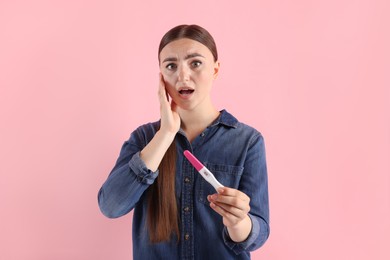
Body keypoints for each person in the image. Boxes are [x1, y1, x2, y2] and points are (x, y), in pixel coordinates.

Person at [98, 24, 270, 259]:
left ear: (216, 70)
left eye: (195, 63)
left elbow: (258, 233)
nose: (182, 76)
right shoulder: (144, 139)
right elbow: (111, 206)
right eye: (171, 66)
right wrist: (166, 133)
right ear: (161, 76)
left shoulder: (247, 141)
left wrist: (238, 222)